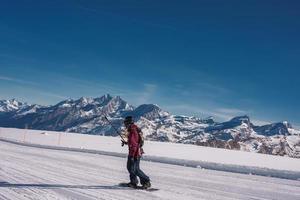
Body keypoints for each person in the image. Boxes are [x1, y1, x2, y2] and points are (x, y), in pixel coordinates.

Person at [122, 116, 151, 189]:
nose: (124, 124)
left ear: (128, 123)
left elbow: (134, 144)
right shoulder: (132, 129)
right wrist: (127, 142)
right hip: (134, 152)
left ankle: (146, 181)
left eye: (125, 123)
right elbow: (134, 142)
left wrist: (132, 156)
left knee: (135, 169)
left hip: (135, 153)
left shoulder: (133, 130)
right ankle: (133, 182)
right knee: (130, 167)